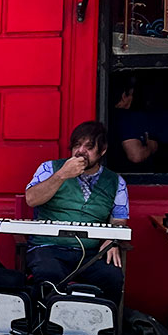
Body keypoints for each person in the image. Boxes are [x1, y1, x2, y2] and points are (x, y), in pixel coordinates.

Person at [24, 121, 128, 305]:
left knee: (112, 277)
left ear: (102, 150)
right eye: (77, 145)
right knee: (50, 275)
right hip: (48, 248)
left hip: (90, 253)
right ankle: (48, 330)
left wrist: (113, 239)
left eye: (89, 147)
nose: (80, 151)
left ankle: (100, 330)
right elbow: (31, 199)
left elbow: (119, 221)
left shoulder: (115, 182)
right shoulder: (49, 168)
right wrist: (62, 175)